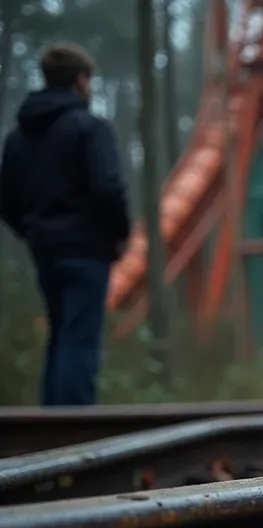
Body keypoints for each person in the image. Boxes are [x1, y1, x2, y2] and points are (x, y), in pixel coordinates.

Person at [0, 43, 130, 406]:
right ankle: (76, 432)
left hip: (46, 251)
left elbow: (6, 200)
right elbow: (107, 186)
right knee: (80, 337)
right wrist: (119, 233)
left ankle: (52, 425)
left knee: (60, 335)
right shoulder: (89, 128)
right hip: (87, 250)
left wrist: (34, 233)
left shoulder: (18, 139)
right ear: (80, 81)